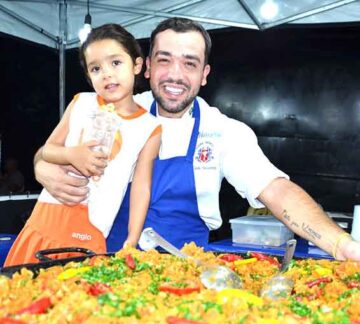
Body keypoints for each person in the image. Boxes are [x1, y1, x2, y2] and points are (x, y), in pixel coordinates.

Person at [33, 17, 360, 261]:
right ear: (145, 67)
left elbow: (277, 190)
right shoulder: (112, 111)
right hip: (105, 262)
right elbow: (55, 150)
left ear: (204, 74)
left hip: (185, 276)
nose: (175, 74)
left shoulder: (224, 132)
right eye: (164, 60)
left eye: (189, 63)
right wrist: (41, 167)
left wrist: (340, 244)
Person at [4, 24, 161, 266]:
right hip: (46, 218)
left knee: (79, 297)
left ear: (137, 65)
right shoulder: (81, 103)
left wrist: (132, 239)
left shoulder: (150, 127)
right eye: (96, 68)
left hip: (93, 229)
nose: (107, 74)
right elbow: (48, 150)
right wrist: (72, 154)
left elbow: (141, 187)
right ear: (89, 77)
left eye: (116, 63)